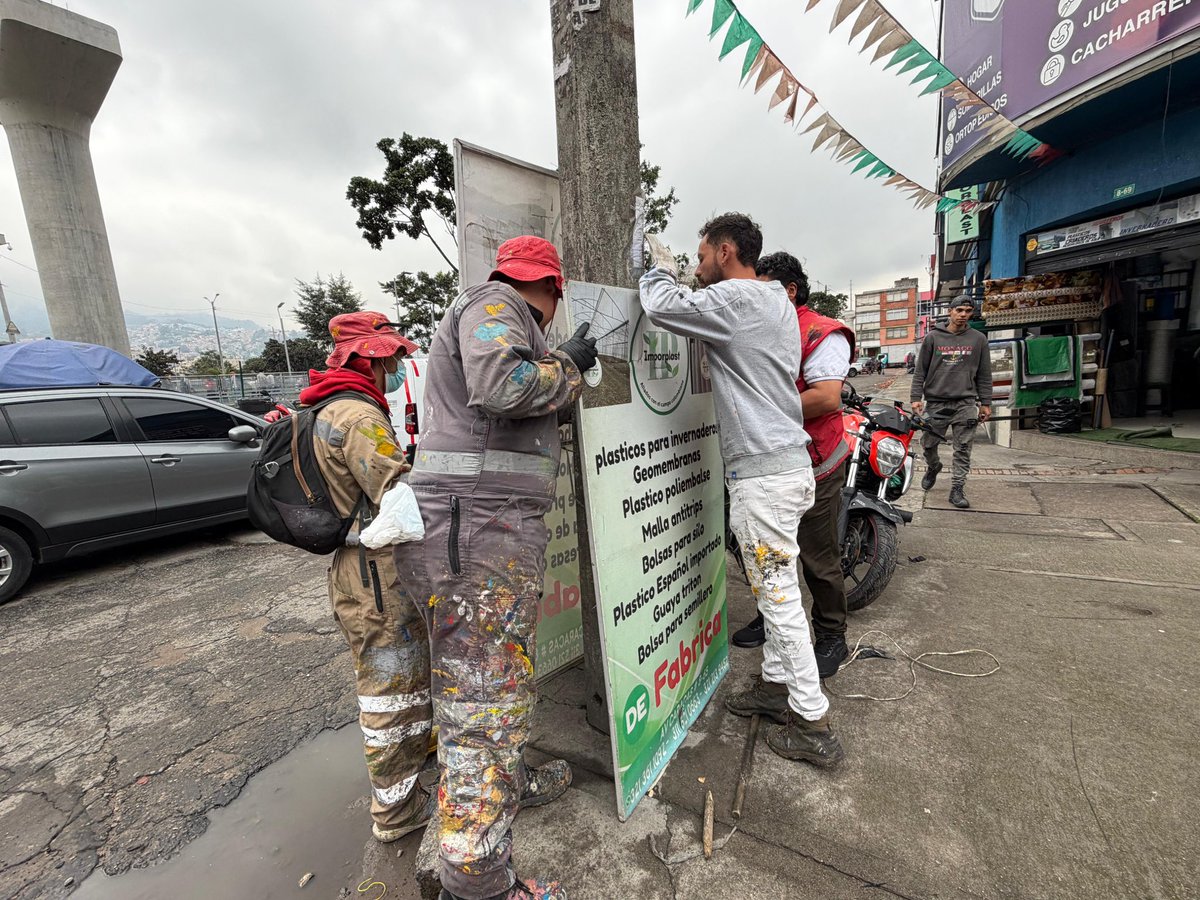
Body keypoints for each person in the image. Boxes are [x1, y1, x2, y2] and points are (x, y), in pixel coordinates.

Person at [393, 236, 596, 900]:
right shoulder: (495, 302)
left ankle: (488, 825)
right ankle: (478, 884)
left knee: (482, 699)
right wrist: (568, 365)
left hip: (478, 532)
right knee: (483, 710)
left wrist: (560, 380)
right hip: (476, 534)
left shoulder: (503, 318)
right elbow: (503, 385)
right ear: (552, 289)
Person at [641, 214, 843, 768]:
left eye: (701, 256)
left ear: (726, 252)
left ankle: (812, 723)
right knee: (777, 589)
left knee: (778, 600)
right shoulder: (776, 300)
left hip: (764, 478)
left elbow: (661, 306)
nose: (698, 266)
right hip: (788, 469)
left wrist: (659, 269)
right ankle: (775, 686)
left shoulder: (736, 298)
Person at [300, 312, 433, 842]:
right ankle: (396, 815)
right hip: (376, 576)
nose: (397, 367)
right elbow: (398, 498)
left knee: (398, 684)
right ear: (370, 359)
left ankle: (409, 776)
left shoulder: (325, 405)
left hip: (355, 568)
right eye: (393, 358)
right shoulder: (359, 418)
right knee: (390, 692)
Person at [731, 252, 856, 677]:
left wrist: (758, 412)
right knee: (763, 552)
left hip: (816, 463)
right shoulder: (763, 325)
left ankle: (832, 634)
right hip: (770, 464)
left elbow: (826, 397)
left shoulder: (820, 331)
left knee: (818, 558)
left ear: (790, 290)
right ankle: (771, 619)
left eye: (763, 288)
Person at [910, 294, 993, 509]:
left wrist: (985, 402)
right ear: (950, 311)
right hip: (936, 403)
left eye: (968, 311)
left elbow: (984, 374)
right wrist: (915, 398)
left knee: (963, 448)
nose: (963, 315)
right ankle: (933, 466)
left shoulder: (978, 339)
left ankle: (957, 488)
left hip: (965, 403)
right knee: (928, 444)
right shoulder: (933, 338)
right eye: (959, 310)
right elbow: (920, 371)